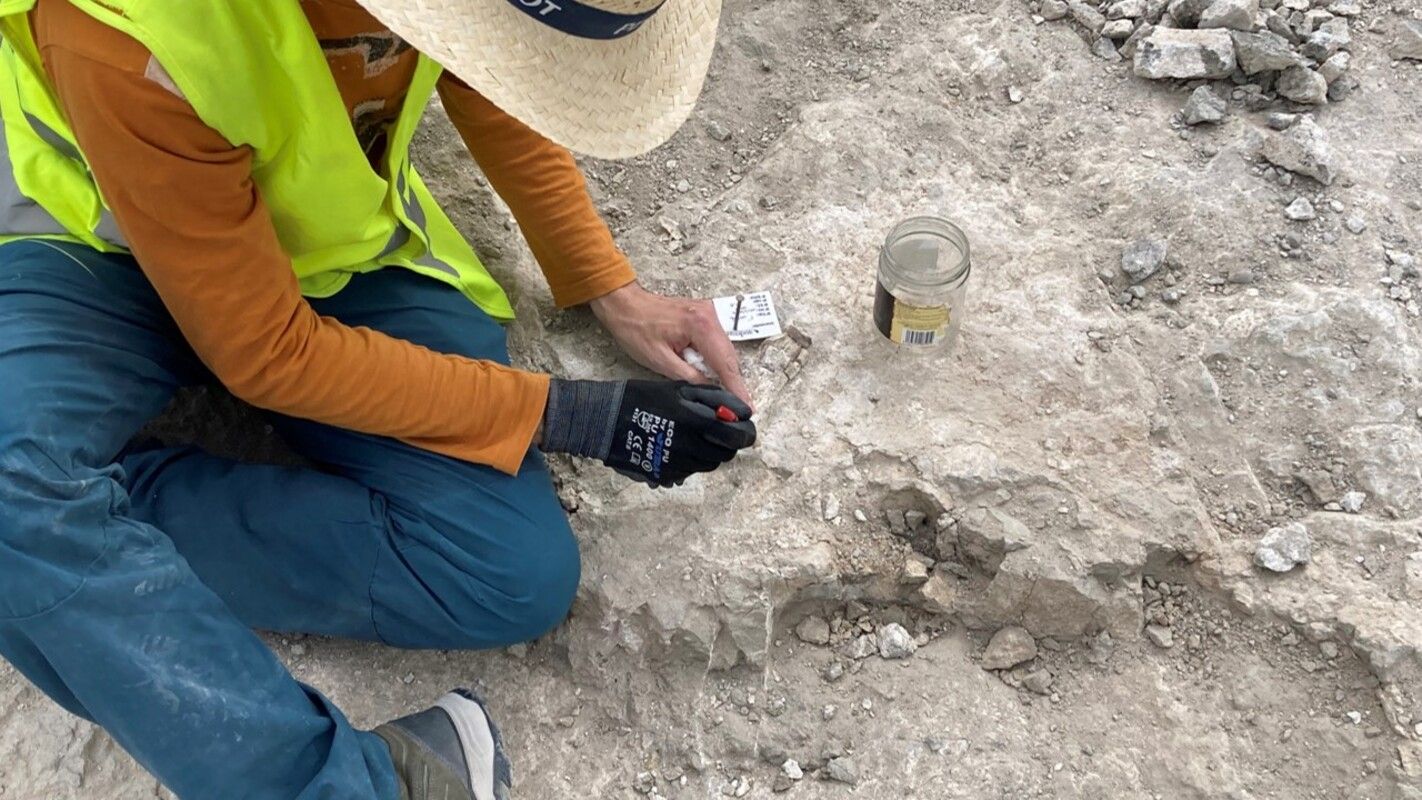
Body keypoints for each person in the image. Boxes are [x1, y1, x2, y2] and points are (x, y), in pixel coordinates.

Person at [0, 0, 748, 797]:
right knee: (12, 487)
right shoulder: (126, 28)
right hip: (92, 253)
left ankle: (75, 535)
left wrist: (608, 285)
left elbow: (499, 74)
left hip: (324, 258)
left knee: (509, 573)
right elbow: (268, 355)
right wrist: (573, 414)